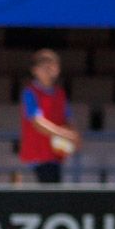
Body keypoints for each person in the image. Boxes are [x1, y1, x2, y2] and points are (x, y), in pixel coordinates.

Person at [19, 48, 79, 184]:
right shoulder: (30, 93)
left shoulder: (60, 94)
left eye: (52, 66)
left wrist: (75, 136)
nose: (49, 71)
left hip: (56, 157)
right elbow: (37, 122)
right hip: (35, 158)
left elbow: (68, 120)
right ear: (35, 70)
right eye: (44, 67)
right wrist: (63, 134)